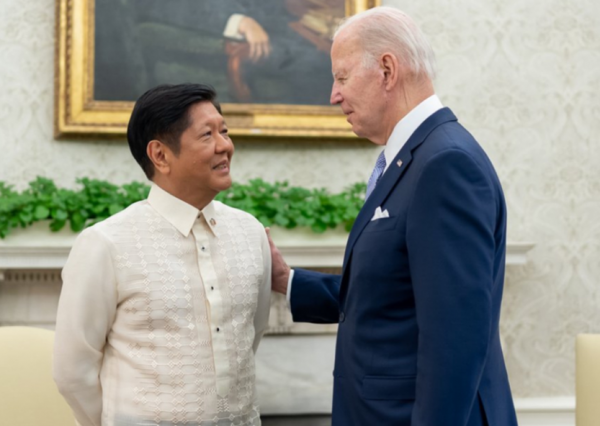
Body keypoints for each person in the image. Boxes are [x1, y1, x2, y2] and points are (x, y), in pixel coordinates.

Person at [267, 6, 518, 426]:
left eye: (342, 77)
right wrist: (287, 281)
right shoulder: (416, 156)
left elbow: (455, 339)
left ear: (387, 70)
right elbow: (394, 293)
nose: (333, 95)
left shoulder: (444, 164)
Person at [53, 83, 272, 426]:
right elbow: (72, 371)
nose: (225, 146)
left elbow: (251, 334)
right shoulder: (106, 243)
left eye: (225, 131)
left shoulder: (250, 232)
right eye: (207, 135)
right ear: (160, 155)